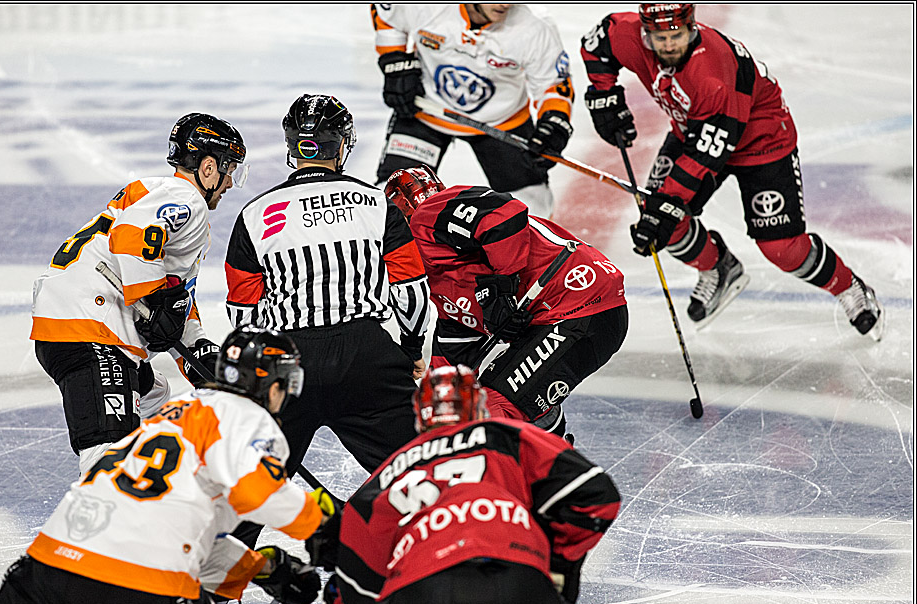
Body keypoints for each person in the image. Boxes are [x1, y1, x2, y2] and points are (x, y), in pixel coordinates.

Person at [0, 326, 342, 604]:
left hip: (57, 555)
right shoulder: (248, 419)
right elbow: (257, 492)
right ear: (271, 384)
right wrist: (325, 526)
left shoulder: (175, 414)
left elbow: (171, 526)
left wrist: (260, 568)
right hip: (142, 574)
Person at [580, 3, 885, 339]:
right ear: (644, 31)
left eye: (676, 36)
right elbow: (596, 44)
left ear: (692, 27)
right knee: (665, 220)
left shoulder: (711, 73)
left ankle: (849, 287)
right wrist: (603, 95)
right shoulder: (628, 34)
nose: (667, 46)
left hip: (761, 141)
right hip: (695, 130)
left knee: (782, 248)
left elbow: (706, 153)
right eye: (658, 37)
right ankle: (718, 268)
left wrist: (665, 204)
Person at [321, 364, 619, 604]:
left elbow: (358, 557)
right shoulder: (509, 435)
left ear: (420, 414)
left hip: (421, 599)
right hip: (518, 589)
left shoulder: (393, 468)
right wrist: (559, 566)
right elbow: (596, 495)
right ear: (478, 406)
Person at [225, 94, 431, 497]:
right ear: (342, 144)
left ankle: (227, 556)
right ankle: (443, 551)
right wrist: (410, 350)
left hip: (287, 362)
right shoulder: (375, 203)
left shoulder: (253, 214)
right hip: (367, 357)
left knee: (252, 494)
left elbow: (243, 314)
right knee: (421, 473)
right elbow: (412, 292)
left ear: (293, 148)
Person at [31, 113, 250, 476]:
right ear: (208, 167)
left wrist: (197, 351)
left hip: (73, 320)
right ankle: (105, 522)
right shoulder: (188, 199)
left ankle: (160, 487)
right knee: (107, 457)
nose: (229, 182)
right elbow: (131, 237)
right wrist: (151, 303)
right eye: (229, 170)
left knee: (157, 397)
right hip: (91, 329)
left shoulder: (154, 191)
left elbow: (173, 294)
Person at [384, 166, 628, 439]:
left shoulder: (427, 217)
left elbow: (504, 213)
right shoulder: (439, 277)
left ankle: (535, 472)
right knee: (502, 397)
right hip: (577, 311)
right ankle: (551, 463)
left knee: (492, 407)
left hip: (580, 302)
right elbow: (456, 345)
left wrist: (501, 289)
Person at [371, 3, 575, 218]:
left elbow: (553, 84)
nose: (505, 4)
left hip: (502, 122)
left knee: (531, 213)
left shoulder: (535, 25)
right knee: (393, 205)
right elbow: (387, 13)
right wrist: (395, 60)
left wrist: (554, 122)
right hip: (426, 112)